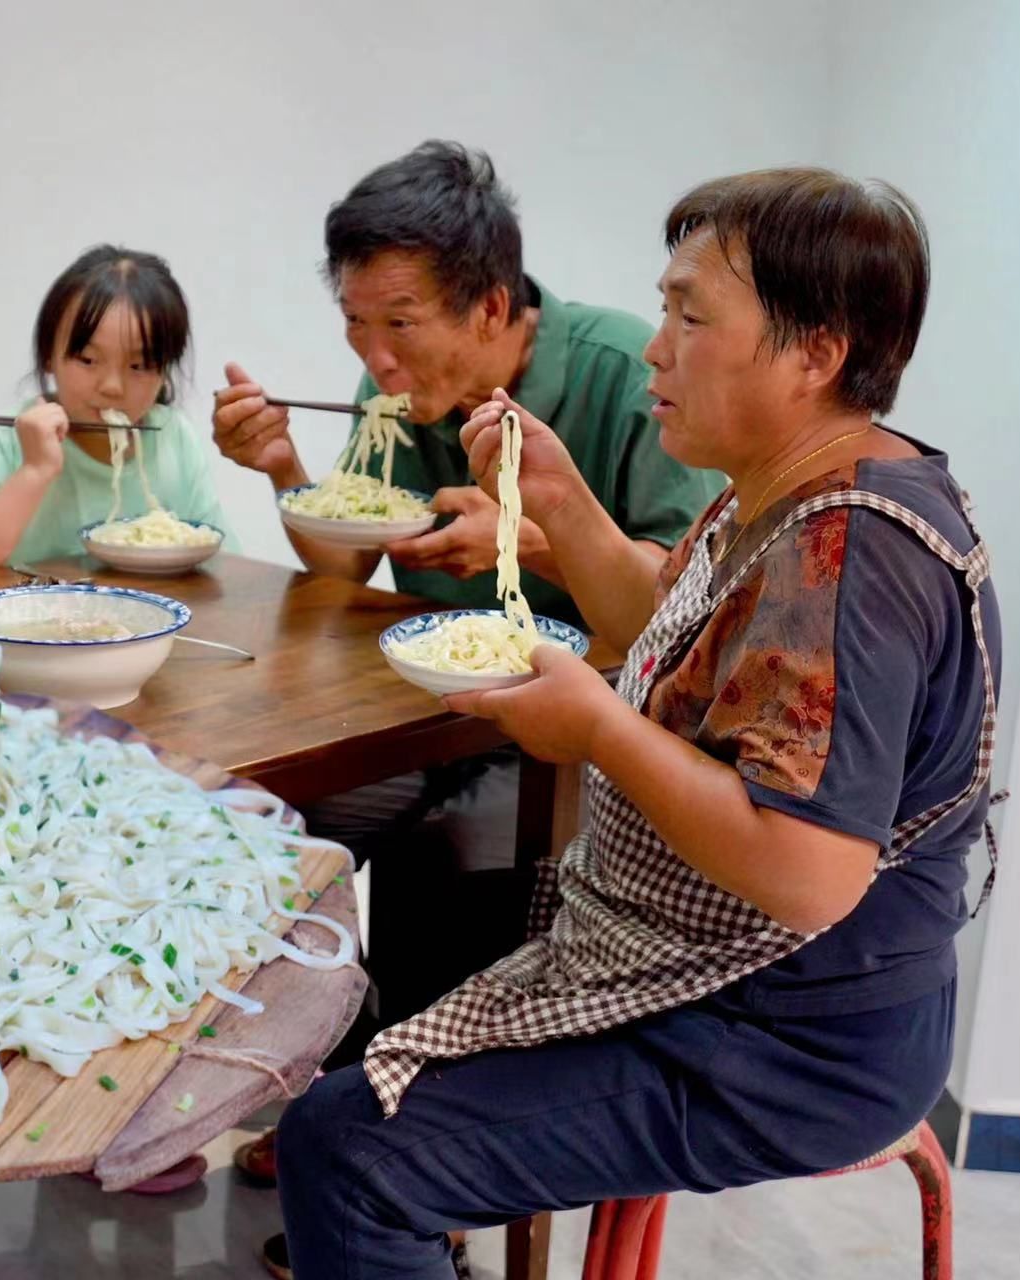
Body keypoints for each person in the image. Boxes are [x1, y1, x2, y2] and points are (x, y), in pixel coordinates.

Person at [275, 168, 997, 1280]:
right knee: (396, 1016)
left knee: (347, 1147)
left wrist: (600, 729)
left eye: (690, 317)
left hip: (786, 1035)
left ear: (814, 351)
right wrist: (558, 502)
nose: (654, 347)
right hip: (720, 973)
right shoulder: (787, 485)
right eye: (661, 311)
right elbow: (668, 621)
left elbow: (808, 874)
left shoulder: (848, 549)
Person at [215, 145, 723, 1211]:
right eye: (356, 323)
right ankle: (337, 1095)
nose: (374, 356)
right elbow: (343, 557)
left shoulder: (624, 373)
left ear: (491, 306)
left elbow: (690, 608)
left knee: (446, 864)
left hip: (577, 730)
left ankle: (411, 1163)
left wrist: (526, 536)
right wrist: (281, 471)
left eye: (398, 322)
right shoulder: (386, 390)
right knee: (275, 825)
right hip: (425, 708)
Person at [0, 244, 234, 568]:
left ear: (164, 371)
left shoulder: (172, 435)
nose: (112, 386)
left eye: (139, 366)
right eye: (89, 360)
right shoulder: (5, 440)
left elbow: (219, 558)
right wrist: (35, 470)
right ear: (49, 354)